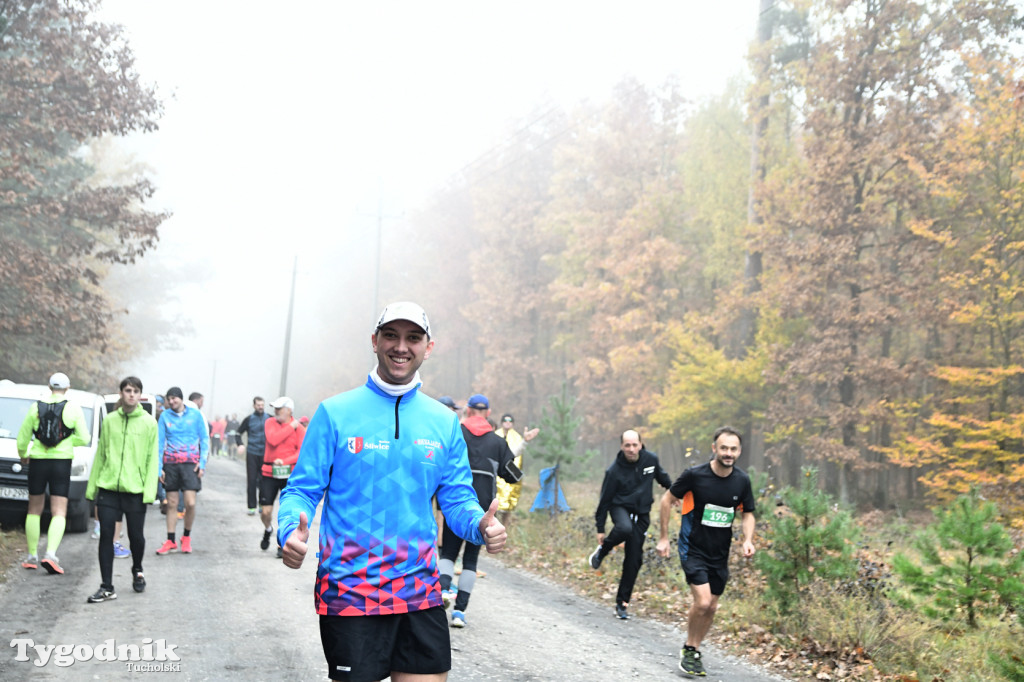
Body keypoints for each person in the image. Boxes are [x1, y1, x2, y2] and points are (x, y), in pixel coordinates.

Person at [278, 301, 507, 682]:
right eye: (391, 335)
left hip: (420, 590)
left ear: (428, 347)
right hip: (350, 590)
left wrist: (479, 527)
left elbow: (456, 498)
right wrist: (289, 530)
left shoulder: (444, 422)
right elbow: (301, 491)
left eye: (413, 338)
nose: (401, 346)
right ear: (375, 341)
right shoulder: (335, 413)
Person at [655, 426, 756, 677]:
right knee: (702, 601)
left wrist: (747, 540)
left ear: (739, 451)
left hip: (719, 553)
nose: (728, 453)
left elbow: (748, 513)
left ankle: (695, 651)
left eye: (733, 449)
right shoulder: (694, 475)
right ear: (714, 449)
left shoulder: (742, 480)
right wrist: (664, 537)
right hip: (693, 548)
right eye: (724, 448)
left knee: (711, 606)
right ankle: (689, 649)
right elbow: (666, 500)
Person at [438, 393, 521, 628]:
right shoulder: (497, 442)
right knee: (471, 561)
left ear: (468, 410)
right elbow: (513, 475)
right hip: (483, 511)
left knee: (447, 554)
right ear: (488, 413)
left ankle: (443, 591)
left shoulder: (456, 434)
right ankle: (460, 612)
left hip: (453, 504)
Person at [84, 376, 159, 602]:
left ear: (140, 395)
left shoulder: (149, 423)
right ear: (121, 393)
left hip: (134, 490)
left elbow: (152, 459)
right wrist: (92, 487)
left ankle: (137, 569)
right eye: (128, 390)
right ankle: (107, 586)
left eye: (136, 391)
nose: (131, 394)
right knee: (106, 535)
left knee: (136, 536)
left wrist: (149, 491)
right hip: (108, 488)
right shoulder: (109, 421)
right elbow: (102, 454)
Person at [588, 429, 672, 620]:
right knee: (624, 528)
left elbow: (662, 477)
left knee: (634, 558)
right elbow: (604, 501)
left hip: (642, 513)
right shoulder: (613, 471)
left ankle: (622, 603)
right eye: (627, 445)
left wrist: (674, 491)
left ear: (641, 445)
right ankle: (603, 550)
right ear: (621, 446)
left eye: (635, 445)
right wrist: (600, 529)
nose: (632, 449)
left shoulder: (650, 460)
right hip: (620, 508)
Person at [16, 372, 88, 574]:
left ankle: (31, 557)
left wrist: (24, 453)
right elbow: (84, 437)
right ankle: (50, 554)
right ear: (68, 387)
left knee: (34, 509)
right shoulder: (73, 408)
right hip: (61, 461)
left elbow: (23, 437)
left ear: (49, 386)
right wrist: (65, 442)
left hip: (38, 460)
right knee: (59, 510)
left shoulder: (35, 407)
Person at [155, 386, 209, 555]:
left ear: (181, 399)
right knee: (171, 503)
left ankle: (186, 536)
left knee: (190, 503)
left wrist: (202, 463)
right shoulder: (164, 416)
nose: (172, 401)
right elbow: (159, 443)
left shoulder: (195, 415)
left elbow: (205, 439)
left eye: (174, 398)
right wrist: (159, 468)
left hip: (190, 464)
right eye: (169, 399)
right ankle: (170, 540)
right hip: (170, 464)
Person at [259, 396, 304, 558]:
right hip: (268, 472)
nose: (276, 411)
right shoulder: (269, 423)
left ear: (289, 410)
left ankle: (281, 543)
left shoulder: (299, 429)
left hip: (288, 474)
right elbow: (273, 439)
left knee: (286, 512)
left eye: (279, 408)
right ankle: (268, 529)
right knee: (266, 512)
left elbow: (301, 453)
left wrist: (284, 461)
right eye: (275, 408)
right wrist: (290, 426)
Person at [494, 413, 539, 526]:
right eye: (505, 421)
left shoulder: (517, 437)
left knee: (508, 506)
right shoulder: (495, 435)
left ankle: (504, 529)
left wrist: (525, 442)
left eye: (510, 421)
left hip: (509, 474)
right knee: (493, 506)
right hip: (495, 476)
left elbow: (514, 454)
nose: (507, 423)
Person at [236, 397, 271, 516]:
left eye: (262, 405)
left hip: (266, 454)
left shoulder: (270, 418)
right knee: (251, 480)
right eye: (258, 405)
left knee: (263, 480)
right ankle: (251, 506)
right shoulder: (249, 419)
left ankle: (262, 503)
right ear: (254, 406)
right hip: (252, 452)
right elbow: (238, 433)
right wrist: (240, 444)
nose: (261, 407)